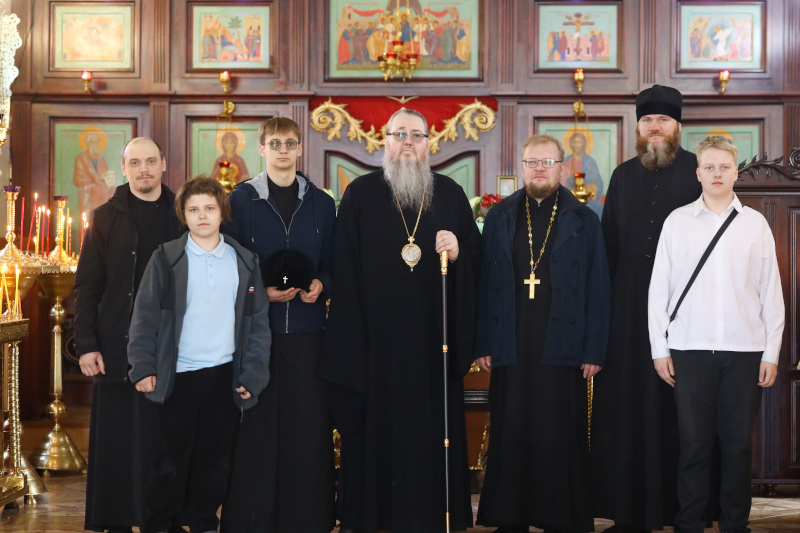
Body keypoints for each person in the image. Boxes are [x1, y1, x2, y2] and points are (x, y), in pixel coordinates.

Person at [321, 109, 481, 533]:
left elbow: (478, 261)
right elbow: (344, 271)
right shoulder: (359, 195)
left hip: (433, 347)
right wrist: (353, 345)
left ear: (429, 143)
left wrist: (459, 252)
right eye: (399, 134)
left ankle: (429, 516)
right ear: (385, 141)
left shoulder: (449, 194)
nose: (408, 142)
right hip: (375, 348)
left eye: (417, 135)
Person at [475, 135, 610, 533]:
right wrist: (483, 341)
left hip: (563, 345)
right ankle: (510, 517)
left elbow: (599, 286)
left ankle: (559, 518)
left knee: (557, 434)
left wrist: (595, 349)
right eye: (532, 161)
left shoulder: (583, 219)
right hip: (510, 343)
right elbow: (483, 284)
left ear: (561, 168)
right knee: (511, 430)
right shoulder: (500, 216)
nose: (539, 168)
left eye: (547, 162)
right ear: (522, 166)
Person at [648, 136, 784, 533]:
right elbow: (659, 290)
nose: (717, 173)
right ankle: (689, 523)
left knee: (738, 446)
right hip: (689, 349)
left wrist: (771, 352)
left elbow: (770, 292)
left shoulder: (755, 225)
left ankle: (735, 525)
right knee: (693, 445)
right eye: (709, 167)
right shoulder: (677, 222)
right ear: (698, 173)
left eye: (724, 167)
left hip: (745, 350)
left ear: (735, 172)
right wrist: (660, 348)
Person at [592, 85, 708, 532]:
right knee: (629, 408)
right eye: (646, 120)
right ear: (638, 127)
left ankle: (685, 511)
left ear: (677, 125)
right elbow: (609, 247)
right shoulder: (622, 175)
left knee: (681, 410)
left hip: (687, 309)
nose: (654, 127)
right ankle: (629, 512)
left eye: (662, 120)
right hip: (628, 313)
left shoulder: (698, 172)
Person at [127, 176, 271, 533]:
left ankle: (203, 522)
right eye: (193, 210)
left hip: (224, 375)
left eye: (209, 208)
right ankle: (159, 526)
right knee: (169, 462)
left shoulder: (244, 261)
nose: (202, 216)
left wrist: (253, 375)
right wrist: (142, 366)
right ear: (183, 215)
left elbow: (257, 324)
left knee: (214, 462)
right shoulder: (166, 258)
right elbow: (144, 316)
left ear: (222, 212)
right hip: (178, 376)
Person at [220, 117, 337, 533]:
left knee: (307, 428)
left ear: (300, 148)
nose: (283, 151)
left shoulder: (322, 203)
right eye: (275, 144)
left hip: (308, 333)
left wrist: (322, 284)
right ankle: (253, 519)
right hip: (258, 333)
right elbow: (229, 261)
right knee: (257, 428)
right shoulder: (240, 200)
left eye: (290, 143)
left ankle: (308, 519)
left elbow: (333, 260)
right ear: (262, 149)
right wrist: (259, 292)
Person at [75, 137, 183, 533]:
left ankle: (161, 522)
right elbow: (88, 286)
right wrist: (87, 344)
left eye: (150, 161)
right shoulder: (104, 217)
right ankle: (117, 520)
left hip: (170, 346)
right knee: (118, 439)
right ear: (123, 169)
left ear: (163, 164)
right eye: (135, 163)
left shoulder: (181, 214)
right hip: (115, 344)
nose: (143, 169)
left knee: (165, 440)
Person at [73, 132, 113, 215]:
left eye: (96, 142)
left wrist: (106, 179)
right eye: (92, 142)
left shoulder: (100, 159)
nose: (94, 144)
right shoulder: (81, 158)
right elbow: (77, 178)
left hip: (100, 193)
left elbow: (105, 176)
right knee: (87, 216)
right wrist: (92, 180)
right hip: (87, 192)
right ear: (88, 143)